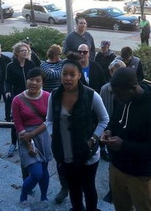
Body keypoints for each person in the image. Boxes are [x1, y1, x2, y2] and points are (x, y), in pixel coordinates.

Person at [100, 67, 151, 211]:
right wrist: (108, 130)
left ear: (133, 88)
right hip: (117, 168)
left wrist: (123, 145)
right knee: (122, 209)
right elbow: (114, 120)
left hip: (141, 175)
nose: (117, 97)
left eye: (119, 94)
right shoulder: (123, 98)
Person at [47, 59, 109, 211]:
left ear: (79, 75)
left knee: (88, 187)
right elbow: (48, 120)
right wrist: (53, 135)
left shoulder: (91, 95)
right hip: (64, 152)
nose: (68, 78)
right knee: (73, 188)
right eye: (64, 74)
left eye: (72, 74)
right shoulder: (54, 95)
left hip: (86, 152)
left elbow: (104, 119)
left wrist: (93, 139)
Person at [11, 68, 53, 204]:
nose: (34, 83)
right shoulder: (17, 100)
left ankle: (44, 197)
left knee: (44, 170)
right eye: (31, 79)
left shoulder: (48, 96)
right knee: (36, 173)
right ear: (26, 80)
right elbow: (18, 125)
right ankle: (23, 194)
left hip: (43, 135)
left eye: (38, 80)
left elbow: (49, 120)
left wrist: (33, 134)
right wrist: (29, 143)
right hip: (25, 138)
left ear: (42, 83)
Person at [99, 59, 126, 202]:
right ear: (110, 73)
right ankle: (113, 189)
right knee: (113, 163)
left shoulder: (130, 90)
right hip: (111, 130)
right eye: (116, 73)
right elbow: (101, 111)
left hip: (126, 132)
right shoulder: (105, 89)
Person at [5, 42, 36, 157]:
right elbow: (7, 81)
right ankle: (13, 143)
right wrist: (7, 90)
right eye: (22, 51)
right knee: (16, 121)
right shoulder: (11, 66)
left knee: (31, 119)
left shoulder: (30, 64)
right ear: (17, 53)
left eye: (26, 50)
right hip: (18, 96)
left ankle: (32, 142)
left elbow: (36, 76)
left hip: (31, 95)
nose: (25, 52)